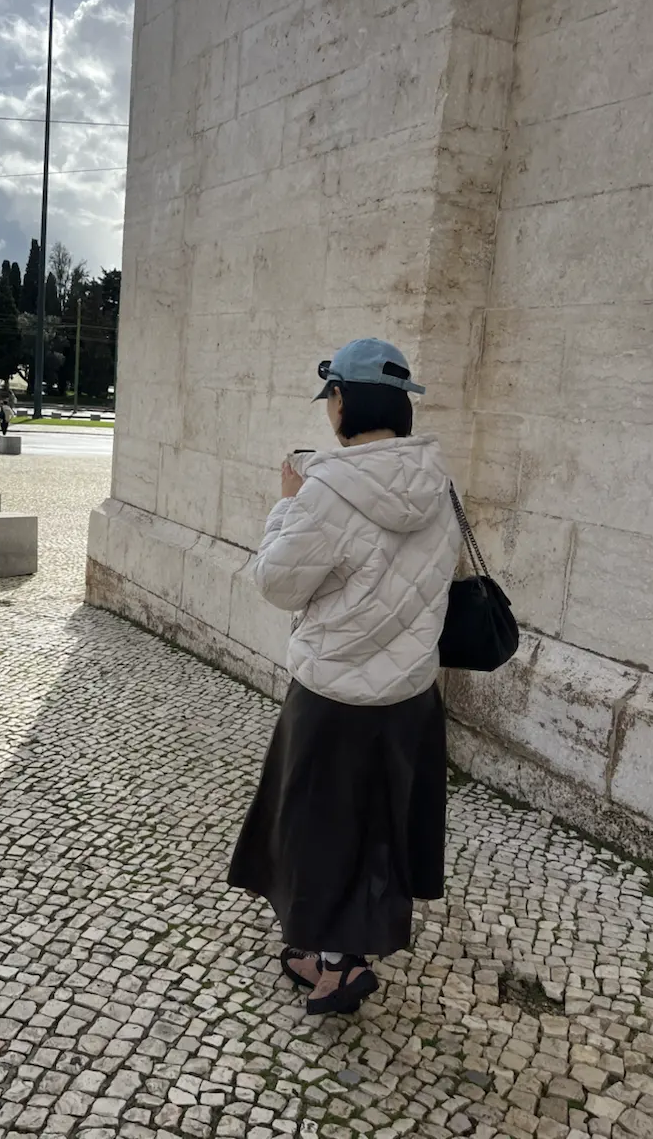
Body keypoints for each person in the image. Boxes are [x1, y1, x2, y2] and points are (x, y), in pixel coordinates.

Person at [228, 339, 461, 1017]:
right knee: (378, 826)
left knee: (322, 828)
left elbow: (277, 583)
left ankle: (333, 969)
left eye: (331, 396)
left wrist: (286, 505)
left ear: (343, 401)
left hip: (335, 694)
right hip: (411, 693)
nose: (330, 409)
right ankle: (348, 955)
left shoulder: (326, 488)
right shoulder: (438, 481)